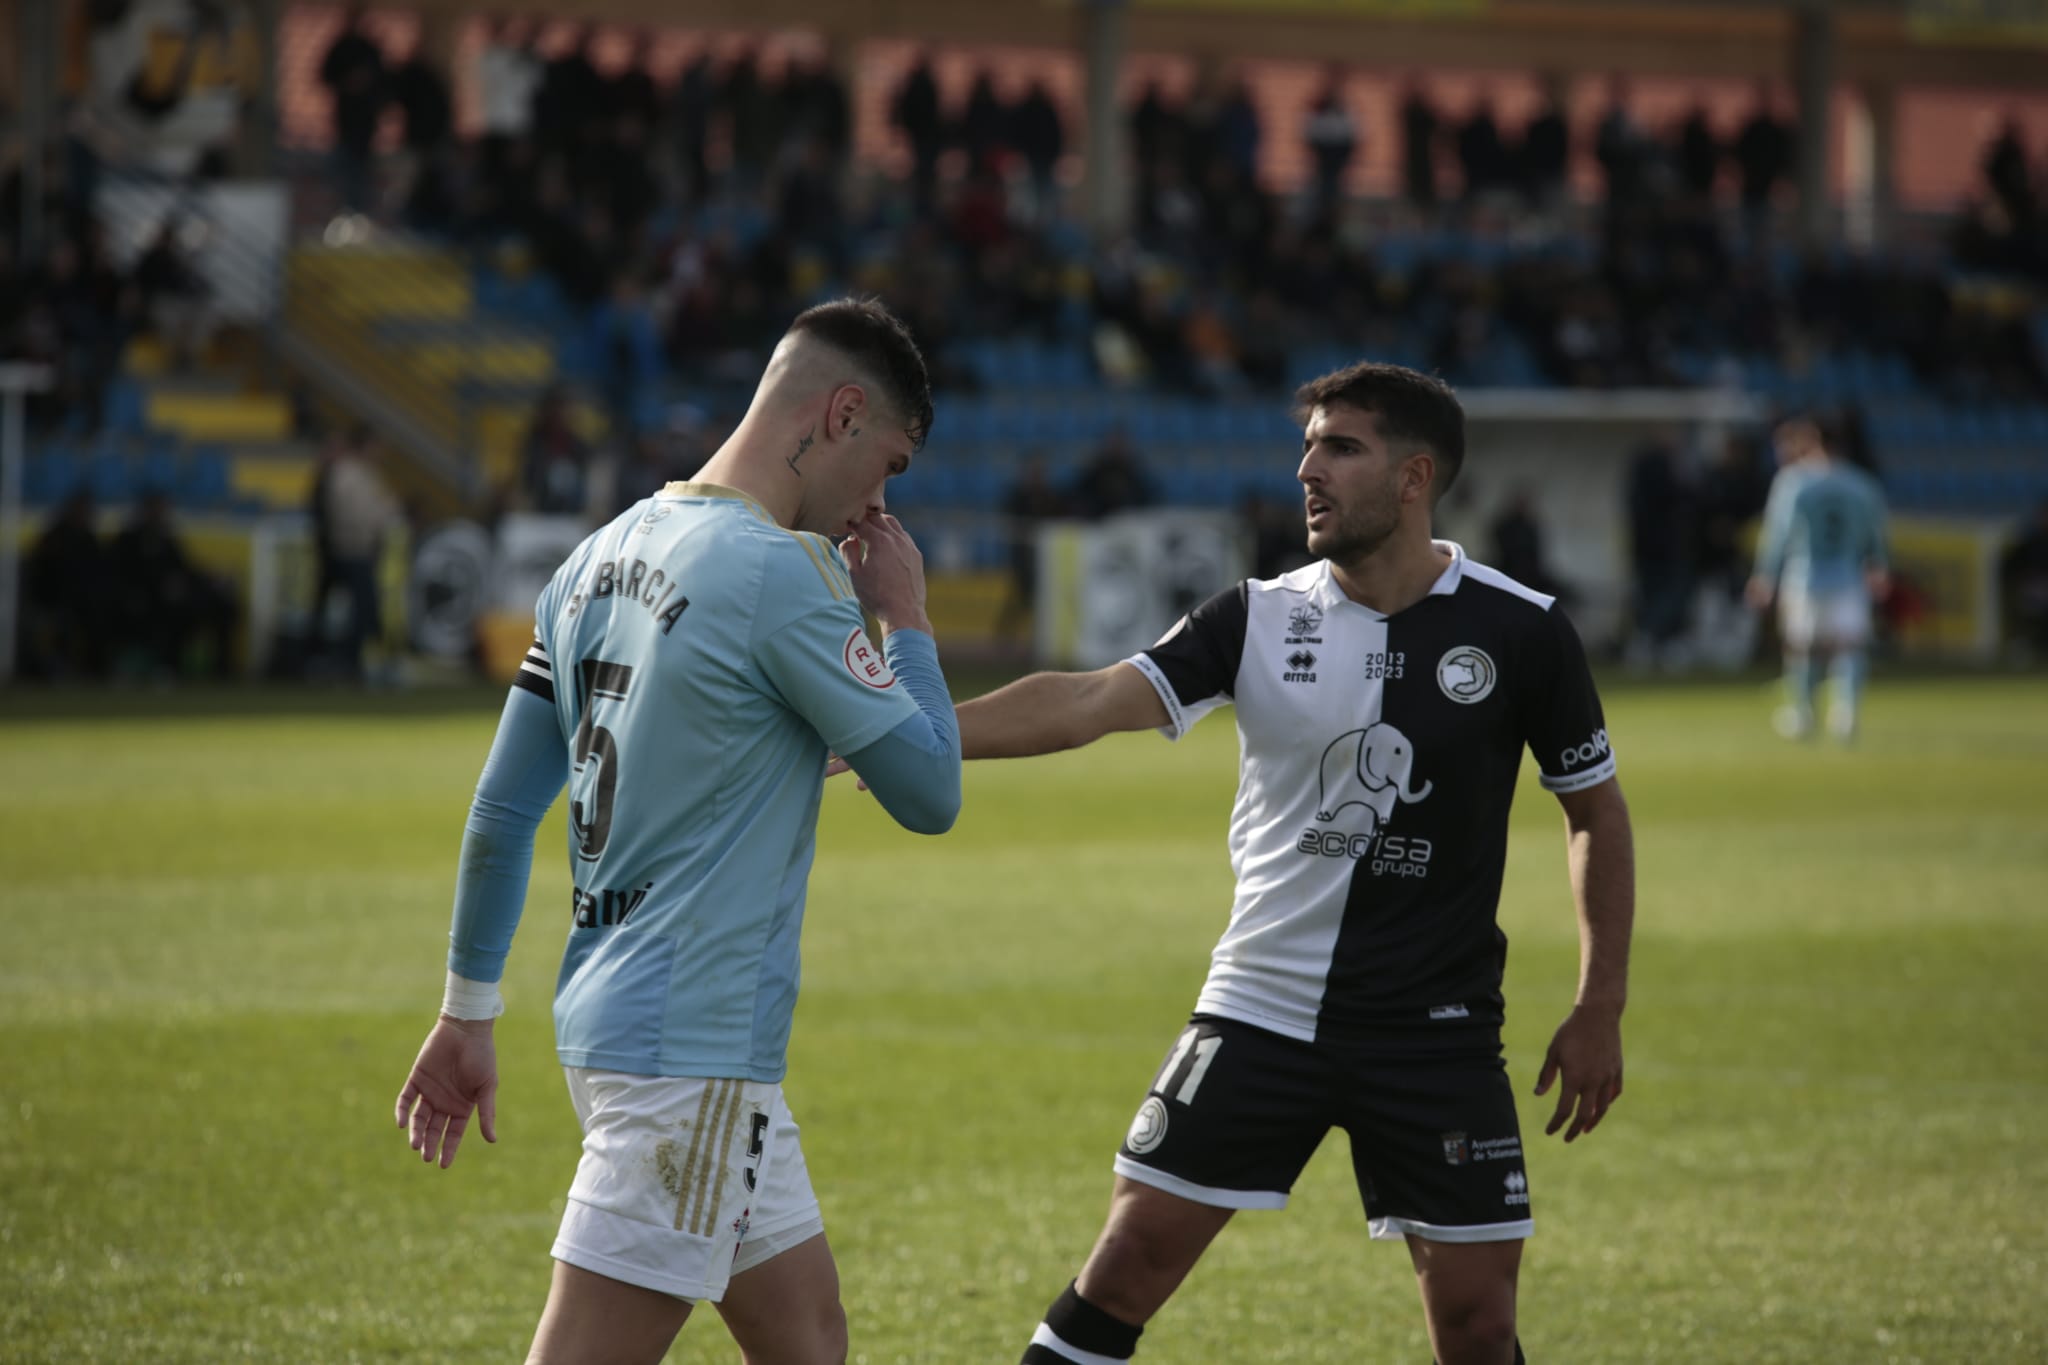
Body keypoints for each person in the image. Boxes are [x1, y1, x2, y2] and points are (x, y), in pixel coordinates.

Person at [927, 363, 1634, 1365]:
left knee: (1477, 1327)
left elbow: (1593, 813)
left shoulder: (1520, 629)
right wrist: (917, 734)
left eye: (1339, 447)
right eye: (1306, 445)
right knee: (1126, 1263)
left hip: (1434, 1033)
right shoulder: (1255, 615)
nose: (1307, 468)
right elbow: (1087, 700)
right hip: (1261, 1009)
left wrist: (1598, 1000)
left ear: (1412, 476)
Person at [390, 299, 962, 1365]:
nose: (876, 505)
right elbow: (929, 789)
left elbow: (504, 810)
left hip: (627, 1032)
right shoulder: (782, 575)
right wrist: (908, 619)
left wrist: (467, 1010)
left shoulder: (595, 558)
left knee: (809, 1339)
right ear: (839, 414)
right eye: (887, 464)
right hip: (689, 1058)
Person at [1746, 417, 1891, 742]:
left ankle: (1803, 713)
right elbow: (1877, 535)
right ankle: (1846, 713)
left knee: (1802, 649)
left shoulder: (1793, 482)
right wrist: (1880, 565)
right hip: (1849, 577)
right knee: (1849, 647)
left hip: (1805, 575)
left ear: (1812, 440)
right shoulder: (1862, 484)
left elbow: (1777, 535)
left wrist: (1764, 575)